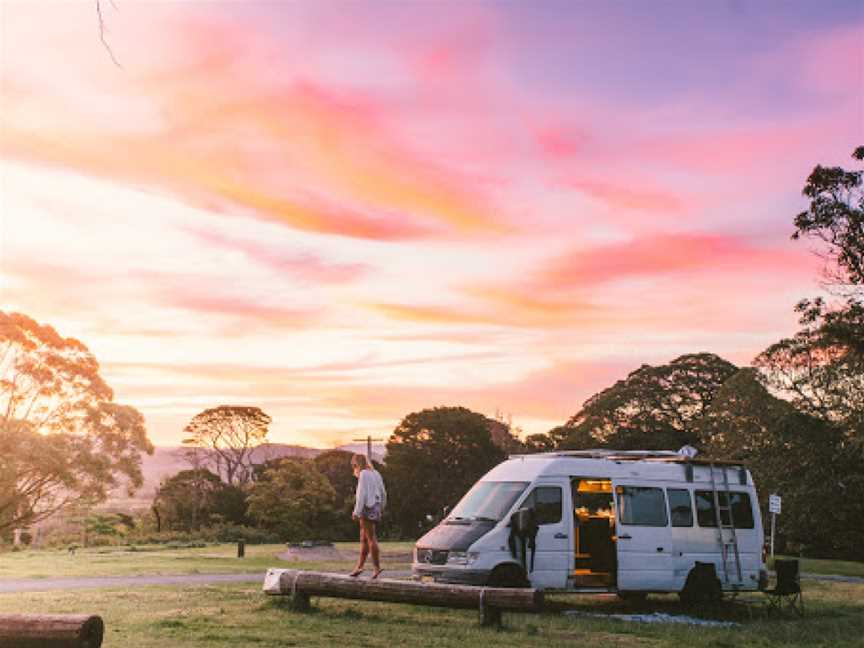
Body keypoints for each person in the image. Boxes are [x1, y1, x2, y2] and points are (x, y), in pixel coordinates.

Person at [349, 453, 387, 578]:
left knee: (371, 538)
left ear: (357, 464)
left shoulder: (363, 474)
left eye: (354, 465)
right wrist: (381, 507)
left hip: (367, 507)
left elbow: (361, 495)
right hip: (375, 506)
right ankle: (359, 567)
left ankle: (377, 567)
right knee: (364, 539)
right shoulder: (376, 473)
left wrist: (356, 512)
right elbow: (383, 492)